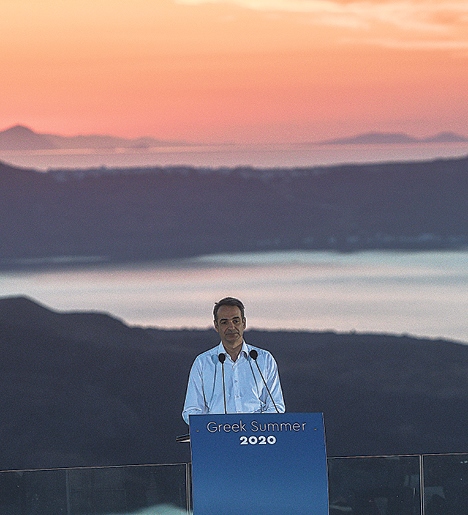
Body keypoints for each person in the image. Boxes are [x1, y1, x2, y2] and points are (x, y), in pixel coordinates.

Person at [182, 297, 285, 424]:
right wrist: (214, 428)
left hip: (258, 437)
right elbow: (191, 411)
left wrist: (253, 428)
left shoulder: (264, 359)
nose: (231, 327)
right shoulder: (203, 363)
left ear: (244, 323)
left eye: (236, 321)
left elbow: (276, 407)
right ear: (216, 326)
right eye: (224, 322)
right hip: (217, 438)